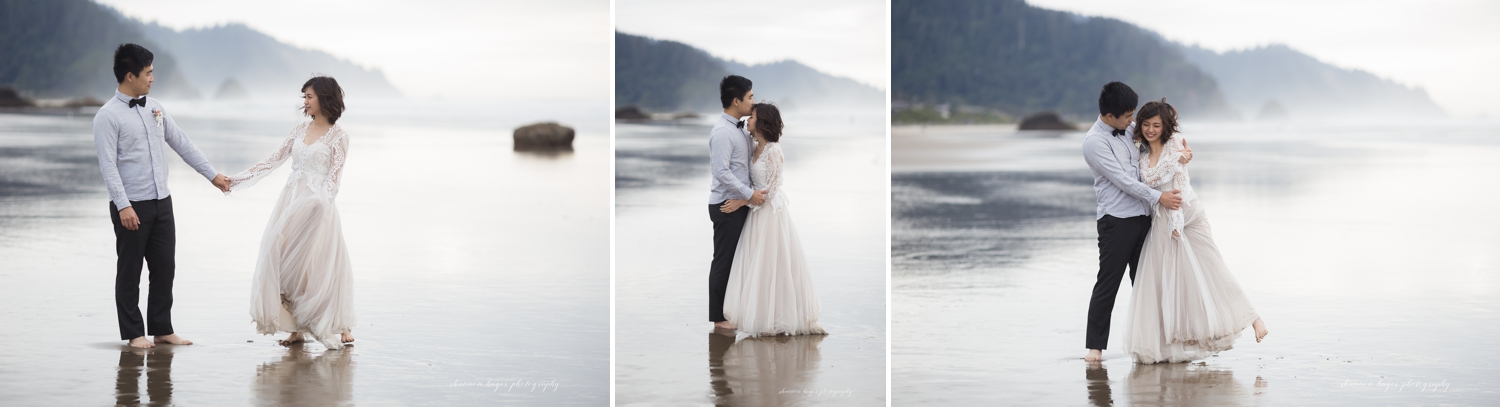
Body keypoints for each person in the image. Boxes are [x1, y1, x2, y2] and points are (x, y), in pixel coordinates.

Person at [93, 43, 230, 349]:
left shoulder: (156, 107)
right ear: (130, 76)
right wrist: (123, 205)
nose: (153, 78)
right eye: (148, 73)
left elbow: (181, 142)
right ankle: (134, 334)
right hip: (132, 205)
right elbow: (108, 166)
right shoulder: (107, 117)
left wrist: (212, 175)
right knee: (130, 271)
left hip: (162, 201)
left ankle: (162, 330)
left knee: (164, 268)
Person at [1122, 98, 1268, 364]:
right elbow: (1149, 183)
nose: (1151, 129)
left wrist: (1177, 222)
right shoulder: (1141, 154)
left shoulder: (1176, 144)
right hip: (1162, 220)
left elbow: (1180, 184)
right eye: (1146, 124)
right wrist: (1176, 163)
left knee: (1212, 269)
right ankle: (1169, 347)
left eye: (1156, 125)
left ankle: (1253, 318)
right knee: (1165, 283)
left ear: (1165, 126)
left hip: (1187, 215)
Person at [225, 76, 356, 350]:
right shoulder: (299, 130)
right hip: (289, 203)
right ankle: (295, 329)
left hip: (318, 206)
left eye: (309, 96)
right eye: (304, 97)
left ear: (324, 98)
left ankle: (336, 324)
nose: (305, 102)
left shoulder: (339, 137)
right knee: (280, 259)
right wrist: (236, 180)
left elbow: (334, 178)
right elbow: (273, 160)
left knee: (315, 267)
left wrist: (323, 202)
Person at [1079, 81, 1192, 362]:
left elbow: (1160, 138)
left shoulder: (1129, 128)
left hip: (1145, 218)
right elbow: (1125, 181)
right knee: (1108, 284)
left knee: (1148, 283)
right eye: (1128, 117)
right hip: (1116, 221)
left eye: (1132, 116)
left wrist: (1183, 154)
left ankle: (1160, 344)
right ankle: (1095, 348)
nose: (1133, 122)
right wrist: (1160, 197)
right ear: (1109, 116)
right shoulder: (1095, 143)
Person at [720, 103, 826, 336]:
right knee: (757, 268)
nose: (748, 120)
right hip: (756, 215)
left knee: (773, 266)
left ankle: (776, 319)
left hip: (770, 216)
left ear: (763, 122)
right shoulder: (754, 146)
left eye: (753, 117)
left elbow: (773, 190)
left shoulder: (774, 151)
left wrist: (742, 202)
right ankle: (761, 316)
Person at [707, 75, 766, 331]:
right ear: (736, 101)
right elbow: (721, 172)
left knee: (739, 260)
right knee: (724, 260)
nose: (753, 101)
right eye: (750, 97)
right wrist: (748, 194)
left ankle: (734, 310)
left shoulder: (739, 128)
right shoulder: (722, 132)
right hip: (725, 204)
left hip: (739, 201)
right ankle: (719, 318)